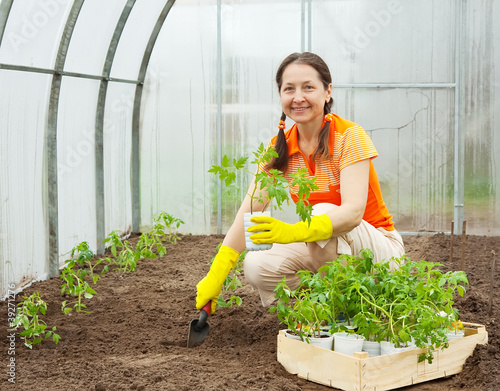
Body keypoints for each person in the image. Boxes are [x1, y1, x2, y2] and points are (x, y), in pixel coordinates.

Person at [196, 52, 405, 313]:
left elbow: (352, 213)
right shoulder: (278, 149)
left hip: (379, 252)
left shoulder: (350, 137)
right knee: (256, 264)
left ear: (327, 92)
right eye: (289, 89)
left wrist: (292, 232)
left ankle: (345, 310)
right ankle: (311, 309)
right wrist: (218, 270)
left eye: (308, 87)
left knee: (320, 214)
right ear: (280, 95)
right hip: (324, 249)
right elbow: (250, 210)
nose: (298, 97)